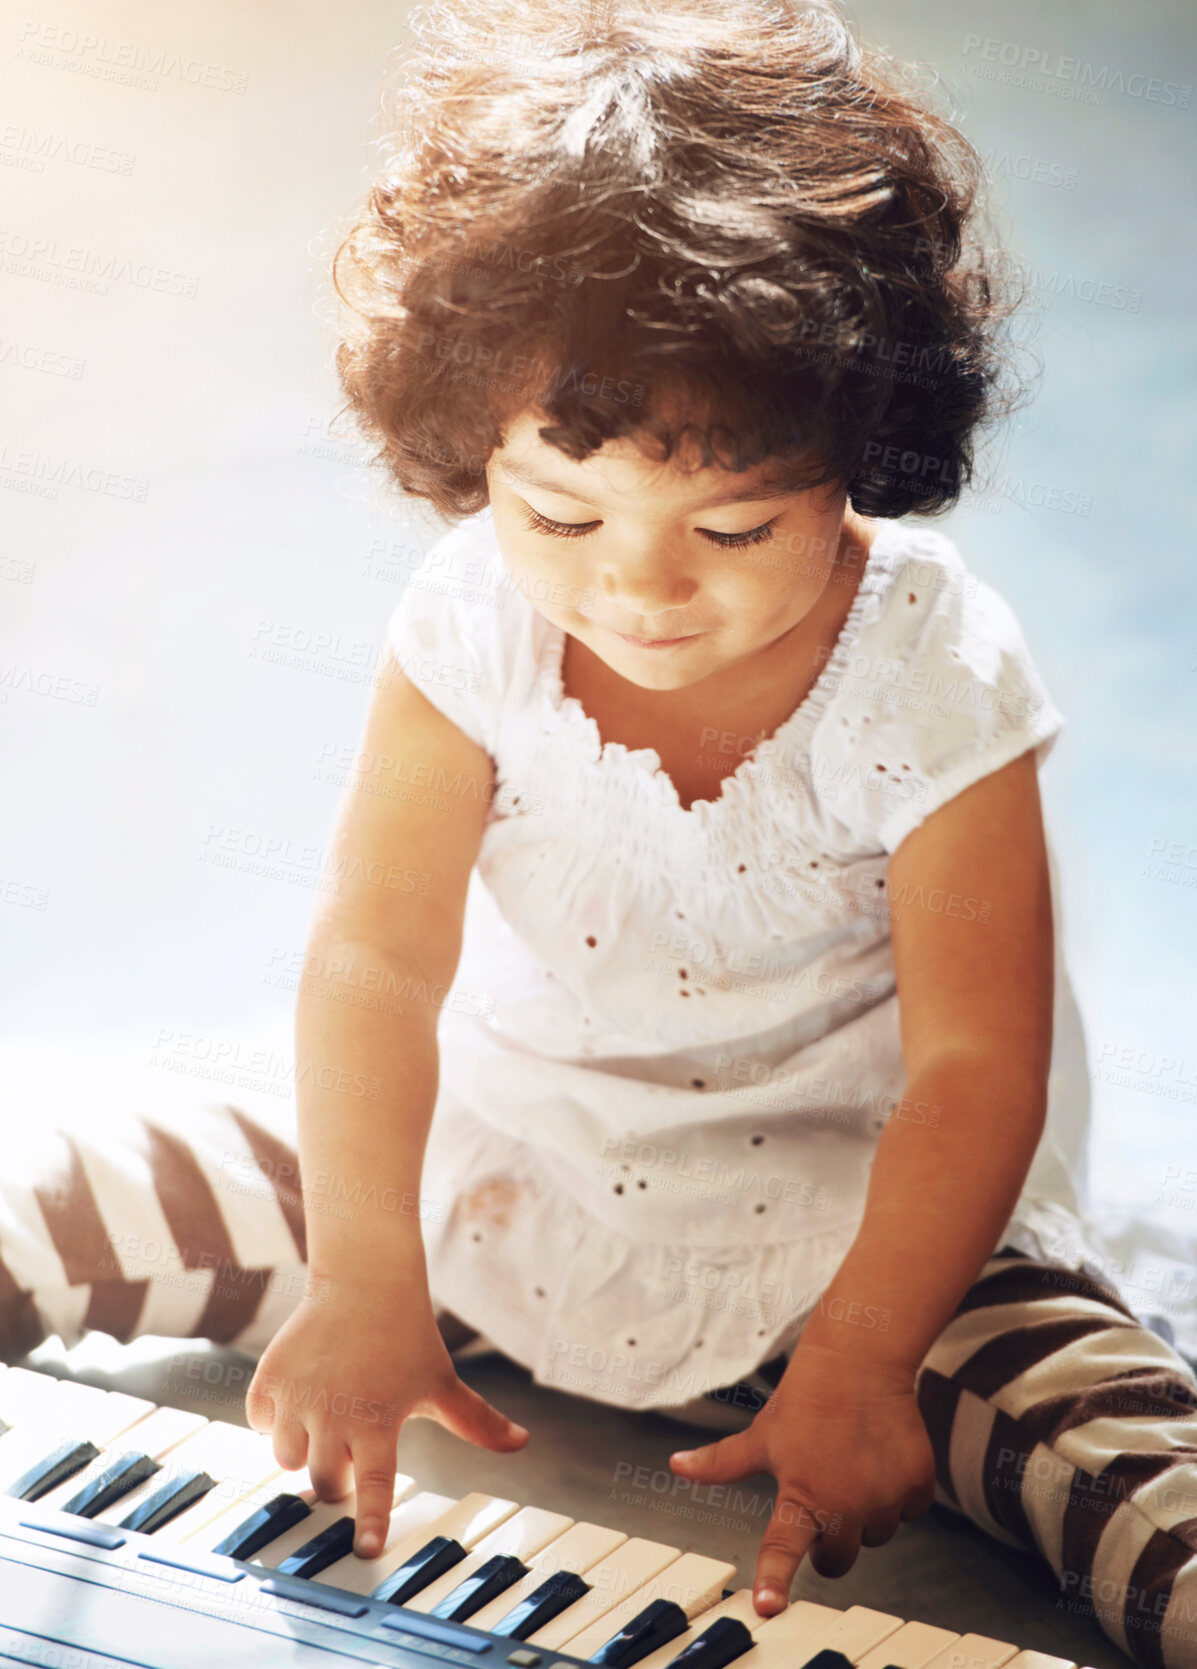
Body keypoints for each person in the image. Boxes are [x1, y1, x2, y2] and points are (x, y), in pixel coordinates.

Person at [3, 2, 1195, 1664]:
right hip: (487, 1178)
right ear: (474, 449)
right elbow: (375, 954)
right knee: (61, 1181)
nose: (640, 584)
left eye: (731, 523)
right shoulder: (474, 618)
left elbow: (973, 1066)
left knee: (1127, 1447)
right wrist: (361, 1271)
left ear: (859, 451)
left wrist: (856, 1359)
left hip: (856, 1253)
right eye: (560, 510)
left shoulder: (930, 665)